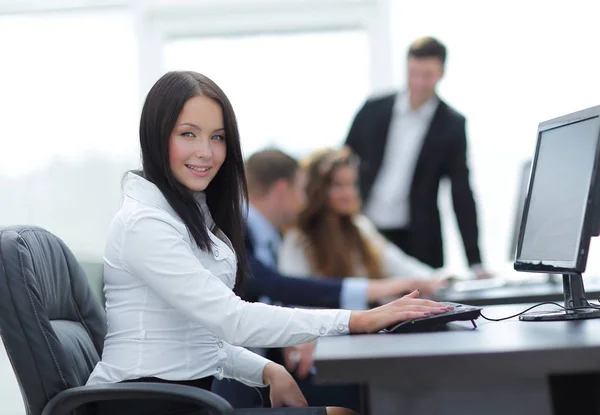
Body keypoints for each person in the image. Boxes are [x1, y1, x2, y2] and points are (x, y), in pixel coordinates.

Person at [86, 71, 452, 415]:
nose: (206, 151)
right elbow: (232, 319)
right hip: (138, 403)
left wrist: (266, 370)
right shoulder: (144, 225)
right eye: (188, 134)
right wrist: (356, 320)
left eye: (217, 137)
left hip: (178, 399)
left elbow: (199, 343)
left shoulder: (187, 218)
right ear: (156, 135)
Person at [214, 148, 436, 411]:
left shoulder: (267, 234)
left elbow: (273, 294)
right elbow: (277, 286)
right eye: (301, 190)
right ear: (284, 189)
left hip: (267, 363)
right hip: (235, 378)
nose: (303, 200)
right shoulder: (235, 230)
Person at [345, 36, 489, 277]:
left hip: (420, 239)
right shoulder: (373, 108)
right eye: (413, 72)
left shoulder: (452, 124)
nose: (419, 81)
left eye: (428, 74)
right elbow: (343, 160)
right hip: (367, 228)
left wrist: (475, 261)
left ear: (441, 73)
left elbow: (461, 193)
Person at [279, 146, 446, 293]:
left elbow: (401, 266)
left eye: (352, 184)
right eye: (338, 185)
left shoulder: (360, 228)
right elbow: (297, 296)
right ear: (317, 189)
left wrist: (443, 279)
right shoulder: (299, 239)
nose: (349, 193)